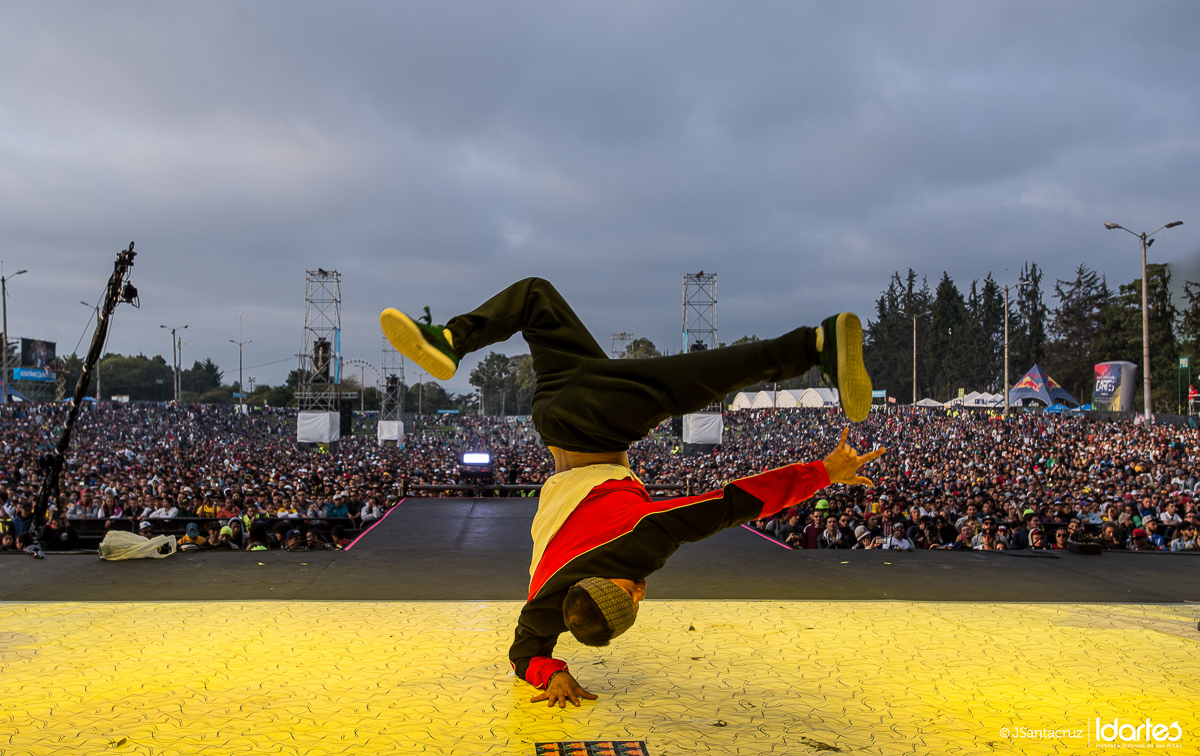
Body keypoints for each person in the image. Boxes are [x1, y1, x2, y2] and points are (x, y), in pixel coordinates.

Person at [381, 277, 879, 707]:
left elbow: (733, 503)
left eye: (631, 591)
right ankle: (450, 338)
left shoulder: (638, 546)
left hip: (594, 428)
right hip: (554, 408)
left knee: (684, 384)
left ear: (622, 586)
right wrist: (549, 672)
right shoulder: (548, 597)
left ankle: (814, 347)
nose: (640, 589)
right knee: (534, 297)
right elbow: (524, 654)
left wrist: (823, 473)